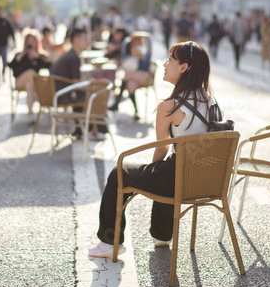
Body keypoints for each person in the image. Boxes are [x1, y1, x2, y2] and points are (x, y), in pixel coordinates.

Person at [89, 41, 215, 258]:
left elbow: (162, 148)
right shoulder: (212, 102)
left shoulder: (171, 106)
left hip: (178, 179)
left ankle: (111, 243)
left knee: (121, 173)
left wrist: (154, 168)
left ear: (184, 67)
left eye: (171, 60)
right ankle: (161, 236)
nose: (164, 64)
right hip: (207, 180)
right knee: (165, 171)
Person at [8, 29, 52, 122]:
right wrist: (21, 56)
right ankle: (37, 98)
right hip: (20, 81)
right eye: (29, 41)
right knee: (31, 74)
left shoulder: (40, 55)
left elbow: (49, 66)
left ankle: (30, 113)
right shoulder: (20, 55)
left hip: (32, 83)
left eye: (33, 41)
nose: (31, 43)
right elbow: (11, 67)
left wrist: (37, 58)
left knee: (30, 84)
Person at [108, 32, 153, 120]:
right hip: (134, 78)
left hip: (145, 76)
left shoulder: (145, 48)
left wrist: (139, 57)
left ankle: (116, 103)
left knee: (126, 76)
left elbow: (145, 65)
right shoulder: (129, 49)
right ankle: (136, 112)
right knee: (130, 85)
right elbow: (126, 59)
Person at [50, 28, 89, 102]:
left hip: (55, 94)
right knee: (92, 96)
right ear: (76, 40)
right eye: (85, 39)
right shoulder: (74, 57)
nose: (87, 42)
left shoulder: (70, 55)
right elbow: (77, 84)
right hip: (62, 95)